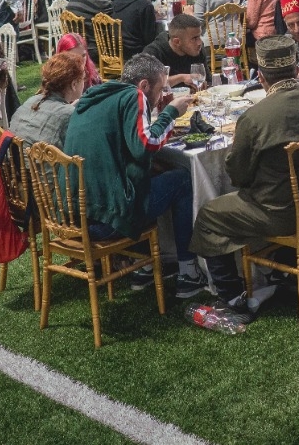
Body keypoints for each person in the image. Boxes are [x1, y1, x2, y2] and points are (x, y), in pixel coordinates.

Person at [192, 35, 299, 312]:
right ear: (297, 68)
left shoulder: (255, 117)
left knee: (209, 215)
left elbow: (238, 175)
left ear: (261, 77)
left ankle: (231, 296)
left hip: (281, 214)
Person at [62, 53, 206, 297]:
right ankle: (188, 273)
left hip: (74, 215)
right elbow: (146, 145)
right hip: (106, 220)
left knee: (151, 174)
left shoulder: (97, 95)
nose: (161, 95)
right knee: (181, 178)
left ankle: (147, 265)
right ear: (144, 85)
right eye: (160, 89)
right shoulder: (134, 96)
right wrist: (170, 113)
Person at [7, 50, 83, 148]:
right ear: (74, 84)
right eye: (83, 78)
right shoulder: (69, 114)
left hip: (14, 161)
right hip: (39, 163)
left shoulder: (32, 101)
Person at [141, 12, 208, 86]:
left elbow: (207, 79)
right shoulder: (154, 52)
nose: (199, 42)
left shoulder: (197, 49)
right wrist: (181, 78)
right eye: (194, 38)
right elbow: (147, 85)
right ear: (177, 42)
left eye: (199, 36)